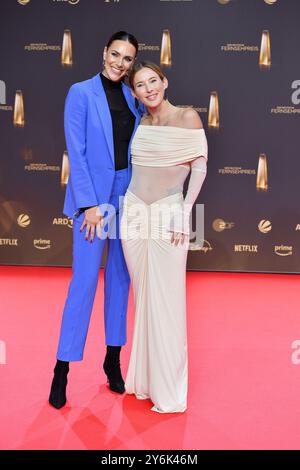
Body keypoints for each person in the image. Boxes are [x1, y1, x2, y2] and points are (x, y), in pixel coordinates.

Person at [49, 31, 142, 409]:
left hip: (128, 195)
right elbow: (77, 149)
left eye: (127, 59)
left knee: (120, 280)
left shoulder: (132, 97)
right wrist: (89, 204)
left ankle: (112, 359)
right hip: (94, 201)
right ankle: (62, 369)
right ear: (104, 52)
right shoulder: (81, 92)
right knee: (84, 282)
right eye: (115, 54)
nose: (119, 63)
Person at [120, 62, 208, 413]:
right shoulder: (141, 122)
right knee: (143, 299)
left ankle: (169, 390)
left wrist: (184, 214)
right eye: (140, 85)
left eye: (153, 81)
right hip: (133, 213)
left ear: (165, 81)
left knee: (168, 303)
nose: (148, 89)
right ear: (135, 92)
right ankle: (143, 380)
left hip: (169, 214)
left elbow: (199, 168)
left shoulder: (188, 118)